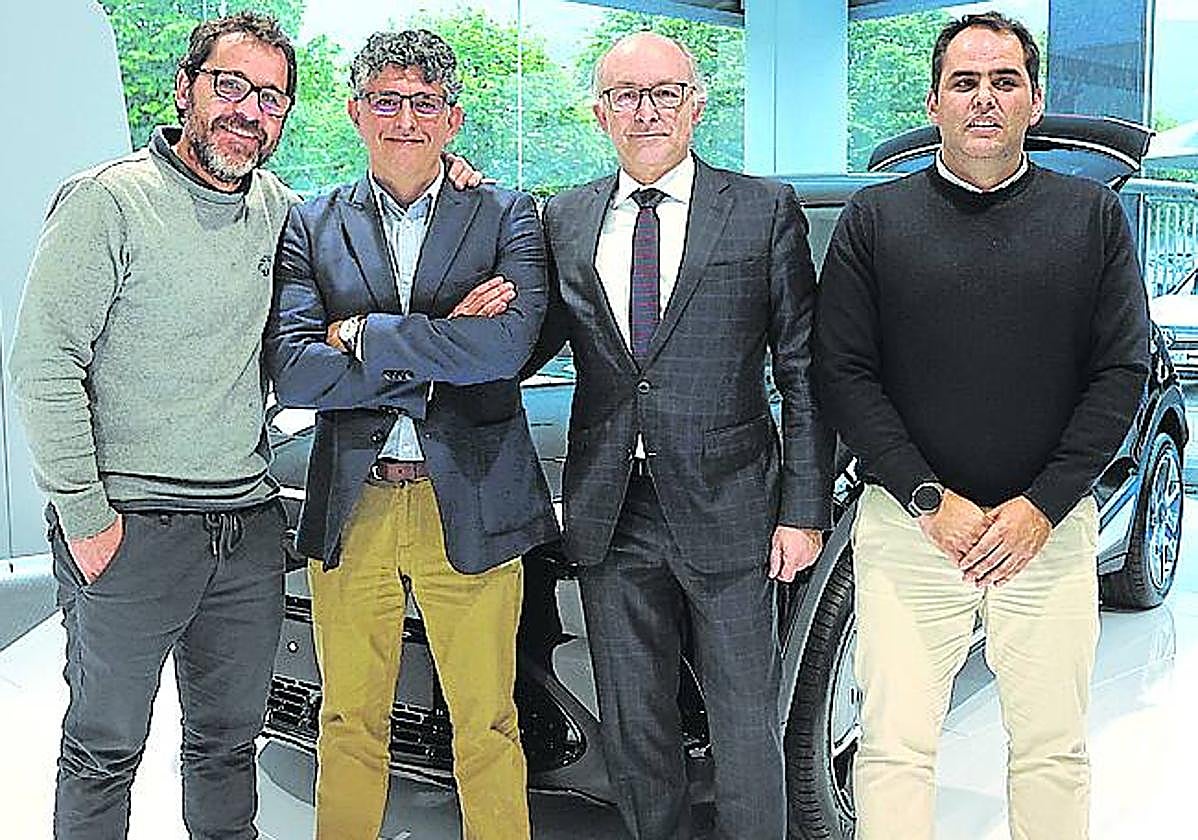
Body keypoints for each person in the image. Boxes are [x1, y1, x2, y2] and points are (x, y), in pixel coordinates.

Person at [815, 12, 1149, 840]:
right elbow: (843, 375)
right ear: (935, 103)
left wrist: (1042, 507)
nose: (985, 99)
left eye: (1005, 81)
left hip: (1047, 533)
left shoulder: (1091, 218)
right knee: (893, 749)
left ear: (1035, 100)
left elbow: (1121, 373)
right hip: (910, 531)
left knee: (1052, 750)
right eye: (964, 83)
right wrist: (930, 501)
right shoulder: (875, 221)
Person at [526, 31, 834, 840]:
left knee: (745, 724)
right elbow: (532, 340)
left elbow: (803, 369)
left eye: (665, 92)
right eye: (625, 95)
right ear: (600, 113)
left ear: (696, 105)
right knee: (635, 726)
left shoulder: (762, 208)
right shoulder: (566, 216)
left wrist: (804, 511)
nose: (646, 111)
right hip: (610, 510)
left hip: (733, 509)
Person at [263, 29, 558, 840]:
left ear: (452, 118)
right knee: (348, 720)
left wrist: (360, 334)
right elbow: (296, 373)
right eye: (385, 100)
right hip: (353, 502)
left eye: (424, 103)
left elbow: (504, 350)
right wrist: (442, 343)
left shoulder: (506, 214)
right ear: (355, 111)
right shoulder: (311, 223)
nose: (404, 119)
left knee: (487, 723)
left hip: (471, 497)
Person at [9, 12, 296, 839]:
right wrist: (87, 518)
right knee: (103, 749)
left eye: (271, 98)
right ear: (185, 89)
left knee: (229, 745)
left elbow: (368, 247)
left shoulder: (279, 210)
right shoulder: (109, 201)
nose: (249, 111)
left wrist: (453, 175)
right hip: (131, 530)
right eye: (230, 85)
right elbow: (44, 365)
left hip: (244, 528)